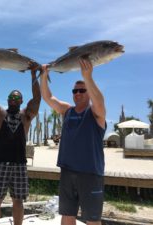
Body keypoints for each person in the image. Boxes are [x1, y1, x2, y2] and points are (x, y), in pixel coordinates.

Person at [40, 58, 106, 225]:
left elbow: (99, 102)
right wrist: (43, 75)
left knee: (92, 219)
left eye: (82, 90)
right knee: (67, 216)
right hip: (67, 172)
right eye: (74, 91)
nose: (77, 93)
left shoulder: (95, 113)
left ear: (88, 92)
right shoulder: (67, 111)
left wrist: (88, 77)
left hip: (90, 173)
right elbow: (48, 98)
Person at [0, 60, 41, 225]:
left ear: (22, 101)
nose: (13, 99)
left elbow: (37, 98)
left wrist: (33, 74)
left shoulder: (26, 115)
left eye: (16, 97)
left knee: (18, 201)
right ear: (7, 100)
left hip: (19, 164)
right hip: (0, 163)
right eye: (11, 97)